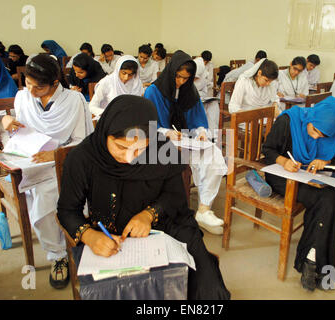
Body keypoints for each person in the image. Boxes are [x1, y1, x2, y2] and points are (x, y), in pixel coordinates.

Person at [57, 94, 231, 300]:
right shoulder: (83, 158)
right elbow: (67, 210)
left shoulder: (162, 148)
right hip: (112, 235)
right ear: (106, 133)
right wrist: (89, 236)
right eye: (121, 147)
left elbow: (175, 196)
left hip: (166, 224)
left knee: (205, 286)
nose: (130, 157)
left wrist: (149, 215)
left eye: (141, 148)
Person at [1, 53, 94, 289]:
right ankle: (58, 255)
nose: (31, 91)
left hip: (66, 162)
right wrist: (7, 122)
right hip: (33, 165)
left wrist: (54, 155)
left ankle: (76, 242)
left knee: (50, 193)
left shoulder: (74, 101)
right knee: (42, 197)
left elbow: (82, 142)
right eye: (28, 84)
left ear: (55, 83)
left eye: (38, 87)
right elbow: (20, 134)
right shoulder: (23, 98)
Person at [262, 96, 335, 292]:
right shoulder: (289, 120)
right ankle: (317, 264)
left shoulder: (332, 131)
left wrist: (325, 163)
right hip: (282, 176)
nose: (315, 137)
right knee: (327, 199)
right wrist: (284, 161)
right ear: (312, 117)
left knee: (328, 199)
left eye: (322, 136)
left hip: (306, 176)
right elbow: (268, 150)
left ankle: (311, 258)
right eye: (314, 130)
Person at [144, 50, 227, 235]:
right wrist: (166, 132)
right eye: (178, 77)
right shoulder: (153, 91)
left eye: (186, 78)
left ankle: (204, 209)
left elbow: (197, 118)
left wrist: (201, 132)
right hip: (160, 140)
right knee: (171, 161)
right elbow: (148, 125)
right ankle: (172, 211)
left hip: (185, 139)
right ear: (171, 71)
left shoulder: (189, 90)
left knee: (213, 153)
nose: (181, 82)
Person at [193, 55, 219, 136]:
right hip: (190, 101)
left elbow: (204, 91)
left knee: (213, 105)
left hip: (201, 98)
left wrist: (202, 96)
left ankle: (212, 137)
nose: (195, 79)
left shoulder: (203, 75)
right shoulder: (186, 77)